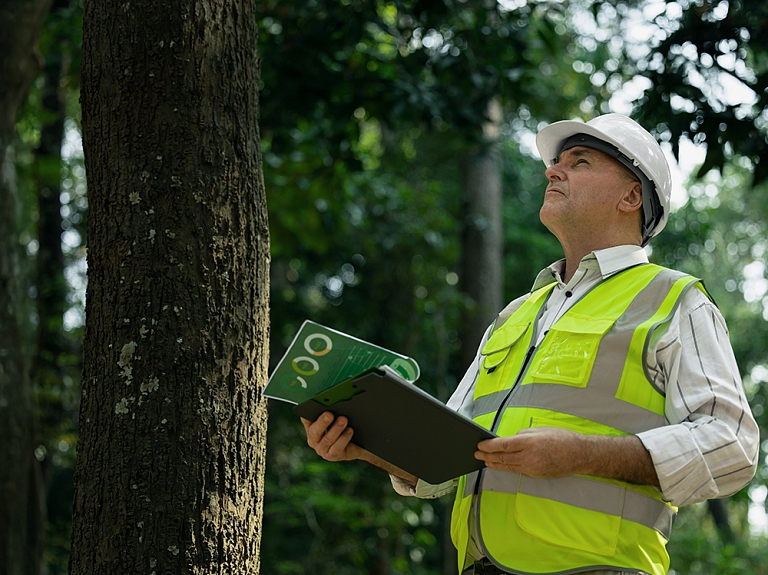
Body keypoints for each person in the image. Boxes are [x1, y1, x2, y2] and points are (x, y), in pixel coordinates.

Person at [301, 113, 759, 575]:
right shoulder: (515, 315)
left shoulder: (674, 301)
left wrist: (583, 454)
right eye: (557, 161)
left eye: (579, 162)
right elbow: (445, 458)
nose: (552, 171)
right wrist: (366, 445)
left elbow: (731, 446)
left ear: (631, 196)